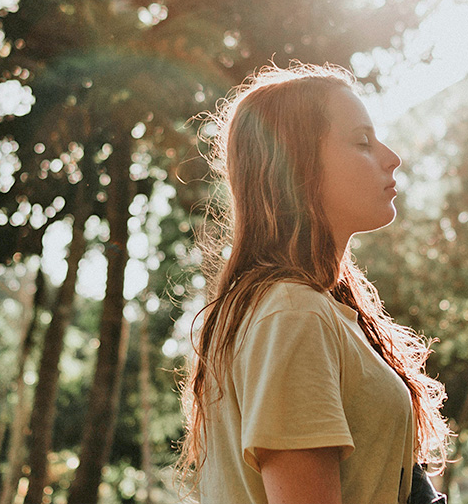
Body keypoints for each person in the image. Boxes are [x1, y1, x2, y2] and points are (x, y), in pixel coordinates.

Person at [177, 62, 450, 503]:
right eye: (362, 141)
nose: (391, 157)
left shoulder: (306, 309)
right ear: (297, 166)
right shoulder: (293, 314)